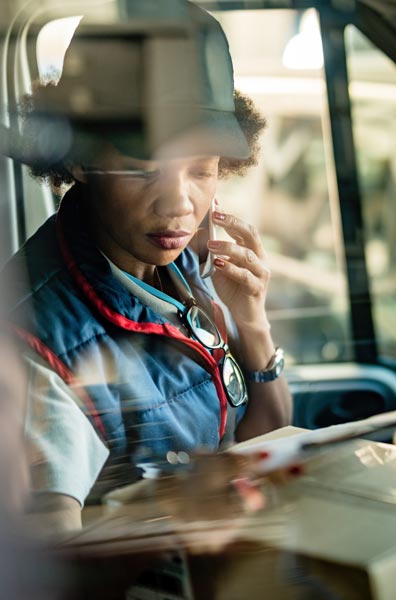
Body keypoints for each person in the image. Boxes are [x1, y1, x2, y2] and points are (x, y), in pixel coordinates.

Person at [2, 0, 292, 532]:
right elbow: (54, 562)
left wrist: (252, 324)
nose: (179, 205)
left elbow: (262, 441)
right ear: (76, 158)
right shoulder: (30, 345)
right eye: (141, 172)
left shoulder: (187, 265)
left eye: (202, 170)